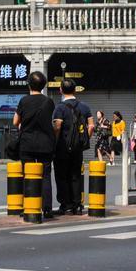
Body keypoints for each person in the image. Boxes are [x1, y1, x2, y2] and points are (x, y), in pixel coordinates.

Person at [14, 71, 58, 219]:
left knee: (28, 175)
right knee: (45, 175)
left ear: (29, 84)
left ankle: (29, 207)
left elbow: (15, 121)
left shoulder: (24, 101)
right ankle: (47, 209)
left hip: (27, 143)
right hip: (46, 143)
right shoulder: (49, 102)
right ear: (43, 85)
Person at [52, 78, 93, 216]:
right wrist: (84, 140)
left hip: (62, 147)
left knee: (62, 176)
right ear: (75, 90)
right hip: (78, 148)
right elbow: (91, 126)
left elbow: (57, 126)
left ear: (60, 90)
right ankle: (77, 205)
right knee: (76, 175)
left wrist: (55, 142)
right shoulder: (84, 107)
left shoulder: (59, 108)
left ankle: (65, 205)